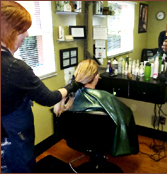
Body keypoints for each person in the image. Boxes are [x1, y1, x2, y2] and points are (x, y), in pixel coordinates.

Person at [1, 1, 83, 173]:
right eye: (23, 31)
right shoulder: (14, 67)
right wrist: (73, 85)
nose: (27, 35)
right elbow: (48, 98)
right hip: (13, 139)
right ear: (10, 31)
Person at [54, 59, 139, 157]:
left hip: (77, 140)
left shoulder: (67, 99)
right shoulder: (107, 97)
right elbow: (126, 115)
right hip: (105, 141)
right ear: (96, 77)